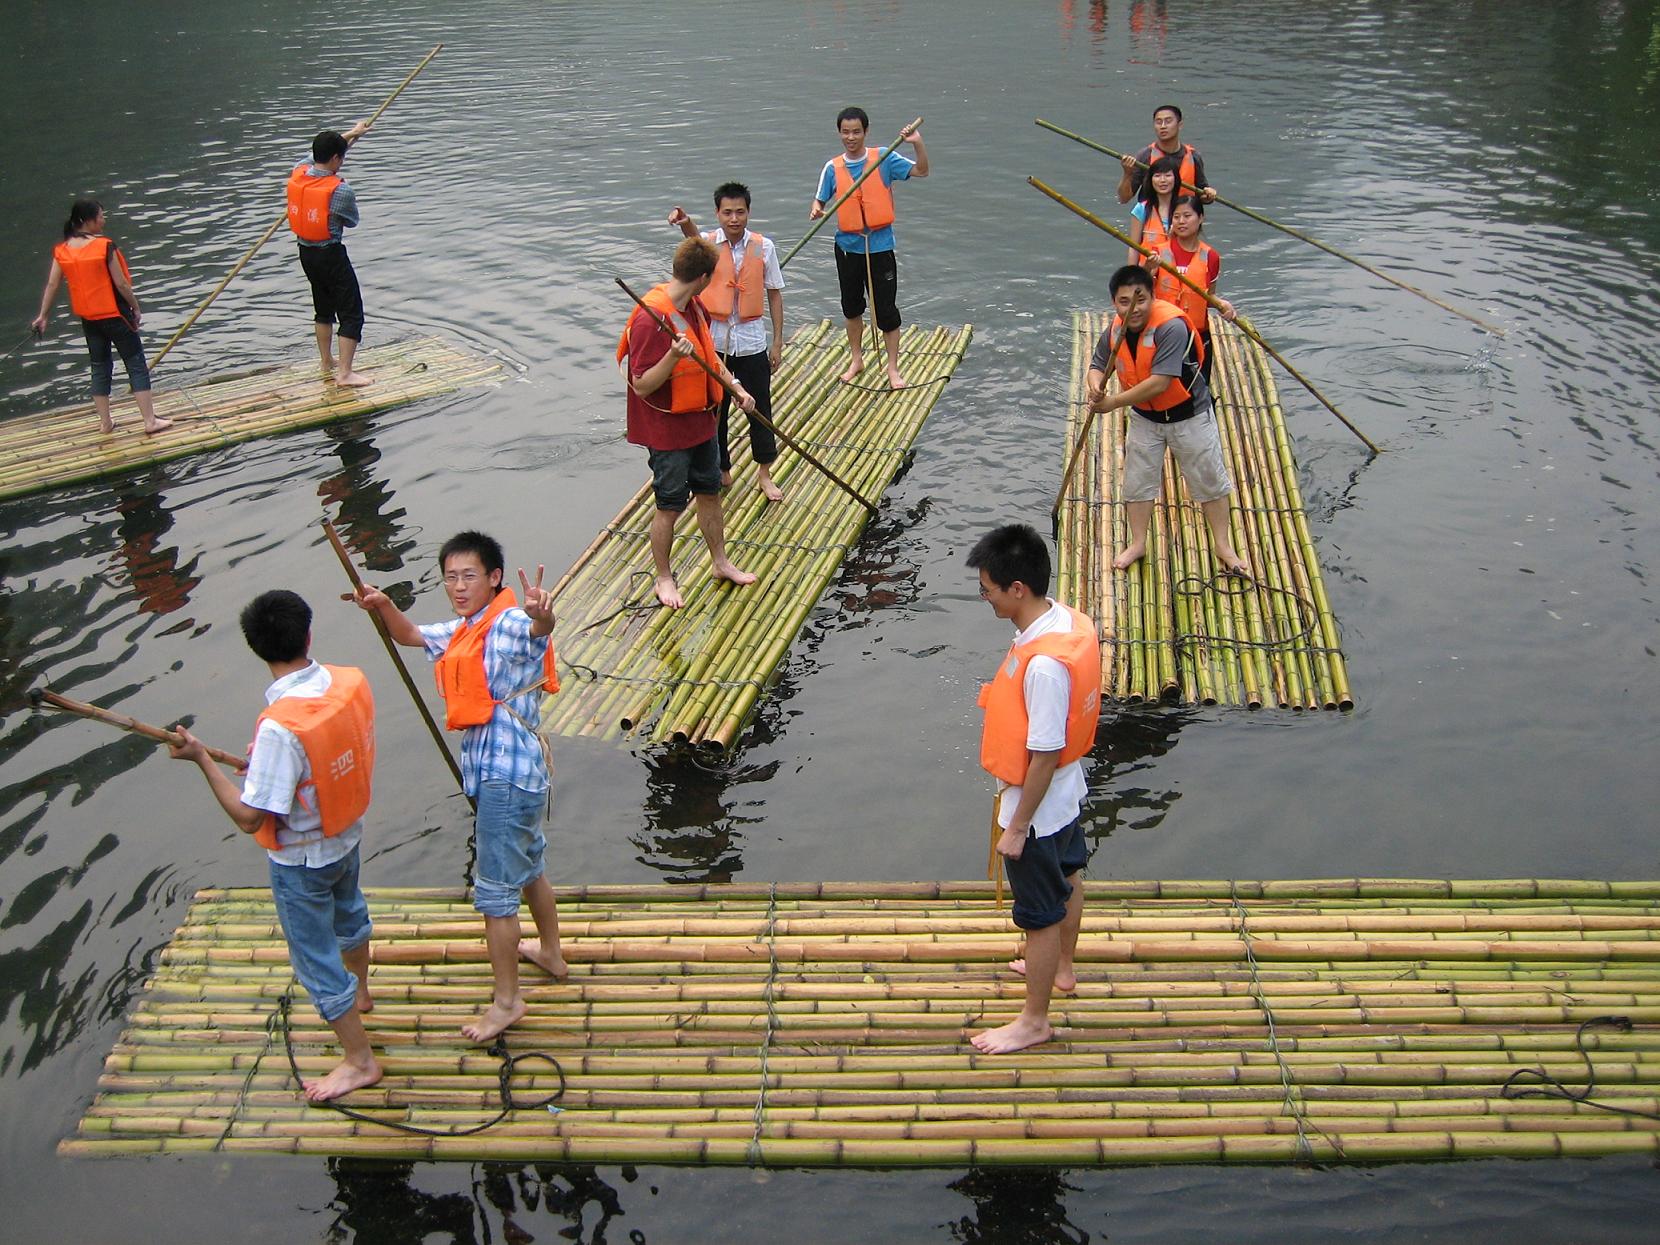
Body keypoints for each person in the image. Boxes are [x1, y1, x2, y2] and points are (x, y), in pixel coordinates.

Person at [167, 590, 380, 1101]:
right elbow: (321, 753)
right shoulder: (347, 681)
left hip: (302, 861)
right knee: (350, 914)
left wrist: (202, 759)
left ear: (257, 649)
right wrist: (265, 765)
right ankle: (362, 993)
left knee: (315, 959)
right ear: (308, 634)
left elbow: (249, 817)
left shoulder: (280, 728)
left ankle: (360, 1061)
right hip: (345, 837)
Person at [354, 532, 567, 1042]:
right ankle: (551, 954)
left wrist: (544, 616)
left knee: (495, 894)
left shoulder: (508, 623)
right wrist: (383, 605)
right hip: (519, 773)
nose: (458, 586)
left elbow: (536, 630)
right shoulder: (465, 627)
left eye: (469, 576)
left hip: (504, 777)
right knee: (529, 866)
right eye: (450, 577)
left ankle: (507, 1002)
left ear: (495, 578)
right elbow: (410, 635)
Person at [966, 523, 1101, 1055]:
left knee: (1039, 915)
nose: (986, 598)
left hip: (1038, 810)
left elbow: (1043, 754)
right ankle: (1063, 968)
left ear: (1017, 589)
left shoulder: (1044, 667)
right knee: (1069, 876)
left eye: (988, 590)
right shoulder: (1063, 619)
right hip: (1067, 796)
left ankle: (1034, 1021)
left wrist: (1018, 827)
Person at [618, 237, 760, 609]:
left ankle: (721, 562)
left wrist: (736, 387)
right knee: (669, 504)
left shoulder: (694, 308)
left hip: (701, 421)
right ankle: (664, 578)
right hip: (667, 432)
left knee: (710, 492)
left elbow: (710, 359)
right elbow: (641, 384)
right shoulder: (650, 320)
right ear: (703, 278)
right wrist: (671, 356)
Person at [1088, 265, 1250, 577]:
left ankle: (1223, 545)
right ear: (1114, 303)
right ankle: (1138, 543)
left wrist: (1112, 403)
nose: (1133, 309)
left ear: (1153, 297)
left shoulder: (1171, 327)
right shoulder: (1114, 330)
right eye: (1124, 302)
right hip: (1145, 416)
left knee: (1208, 479)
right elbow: (1097, 364)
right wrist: (1094, 386)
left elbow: (1160, 382)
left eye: (1140, 300)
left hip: (1188, 414)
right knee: (1137, 481)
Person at [667, 182, 787, 502]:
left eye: (740, 212)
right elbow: (693, 239)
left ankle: (764, 473)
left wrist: (777, 342)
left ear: (748, 212)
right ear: (718, 213)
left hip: (750, 341)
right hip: (715, 341)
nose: (734, 219)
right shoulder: (709, 243)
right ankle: (722, 468)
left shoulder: (764, 246)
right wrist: (685, 221)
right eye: (727, 212)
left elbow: (775, 294)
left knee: (759, 408)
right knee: (715, 409)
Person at [29, 200, 173, 434]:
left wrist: (43, 316)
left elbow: (53, 284)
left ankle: (105, 423)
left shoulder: (63, 250)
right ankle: (150, 421)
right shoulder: (104, 246)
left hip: (90, 319)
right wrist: (136, 307)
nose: (103, 220)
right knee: (136, 364)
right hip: (115, 315)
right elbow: (121, 284)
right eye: (101, 216)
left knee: (99, 367)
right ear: (87, 220)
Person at [809, 108, 929, 389]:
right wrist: (816, 210)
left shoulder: (884, 158)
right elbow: (819, 201)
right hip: (848, 248)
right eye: (845, 132)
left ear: (866, 131)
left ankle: (892, 368)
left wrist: (917, 143)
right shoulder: (832, 167)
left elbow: (922, 170)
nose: (850, 137)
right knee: (851, 307)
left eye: (856, 132)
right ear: (839, 133)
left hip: (880, 248)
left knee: (886, 310)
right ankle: (856, 359)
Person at [288, 122, 372, 386]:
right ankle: (345, 373)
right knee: (352, 312)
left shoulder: (299, 172)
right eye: (341, 157)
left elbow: (312, 157)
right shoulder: (341, 190)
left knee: (323, 307)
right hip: (331, 255)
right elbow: (351, 221)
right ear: (336, 158)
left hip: (306, 253)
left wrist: (352, 133)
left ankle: (326, 360)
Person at [1152, 195, 1236, 385]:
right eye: (1176, 217)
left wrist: (1223, 304)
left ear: (1200, 218)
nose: (1181, 221)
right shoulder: (1157, 253)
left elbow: (1208, 297)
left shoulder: (1211, 257)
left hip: (1196, 336)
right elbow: (1143, 294)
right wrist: (1148, 270)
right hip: (1163, 334)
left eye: (1187, 216)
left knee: (1197, 388)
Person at [1114, 103, 1218, 207]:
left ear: (1180, 125)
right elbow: (1124, 198)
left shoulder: (1193, 157)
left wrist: (1209, 196)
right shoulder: (1145, 155)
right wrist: (1127, 174)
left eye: (1168, 121)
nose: (1163, 126)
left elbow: (1202, 195)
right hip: (1152, 215)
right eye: (1159, 122)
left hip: (1182, 215)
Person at [1127, 154, 1181, 266]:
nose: (1163, 180)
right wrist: (1132, 274)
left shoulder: (1183, 208)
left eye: (1168, 175)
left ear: (1176, 179)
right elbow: (1134, 247)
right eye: (1157, 176)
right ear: (1151, 180)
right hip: (1148, 270)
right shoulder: (1141, 209)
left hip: (1177, 270)